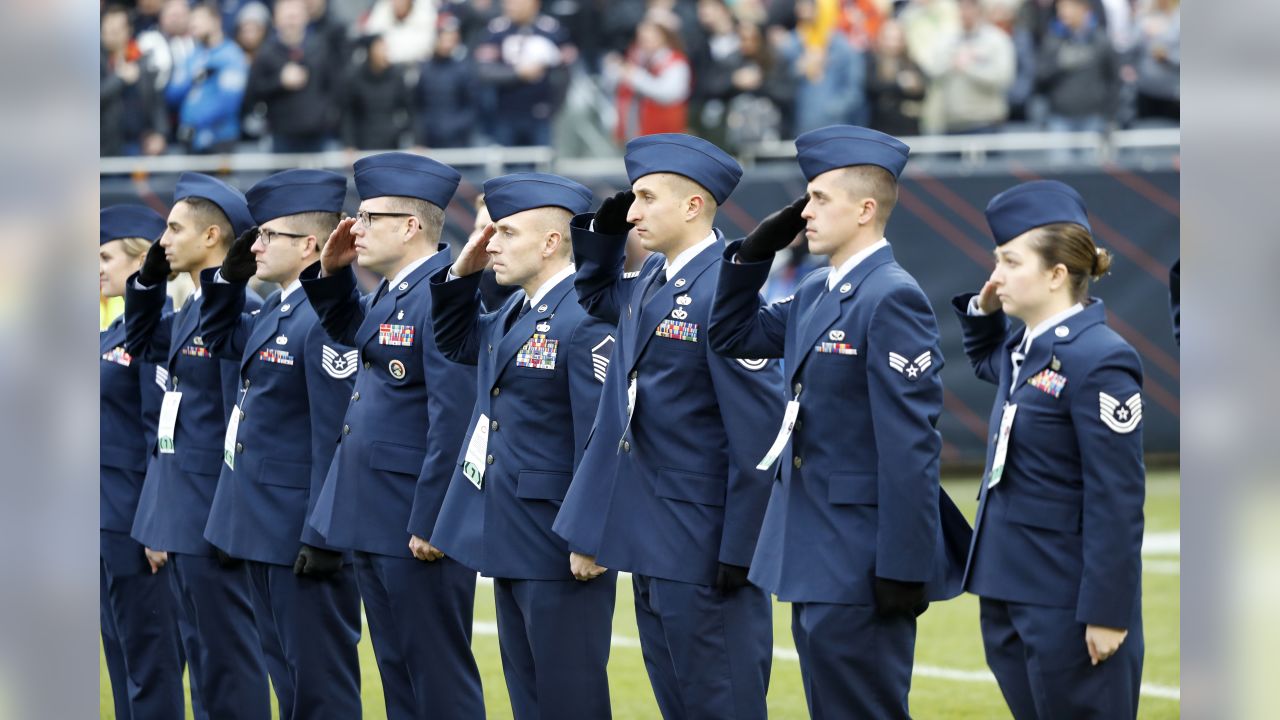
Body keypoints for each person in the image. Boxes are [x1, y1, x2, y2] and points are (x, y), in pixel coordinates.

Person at [706, 125, 972, 719]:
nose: (806, 211)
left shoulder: (889, 296)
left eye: (821, 197)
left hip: (862, 558)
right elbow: (732, 335)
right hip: (815, 549)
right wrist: (752, 256)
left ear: (866, 209)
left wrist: (903, 566)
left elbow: (910, 447)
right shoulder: (820, 287)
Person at [553, 133, 784, 720]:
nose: (632, 212)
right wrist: (601, 239)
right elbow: (596, 297)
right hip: (654, 537)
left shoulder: (726, 289)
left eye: (647, 198)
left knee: (722, 702)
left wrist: (741, 550)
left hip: (707, 549)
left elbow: (758, 434)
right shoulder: (654, 276)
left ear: (692, 206)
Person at [950, 179, 1145, 719]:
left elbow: (1118, 497)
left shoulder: (1100, 357)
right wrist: (985, 314)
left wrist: (1108, 611)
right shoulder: (1026, 345)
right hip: (1010, 588)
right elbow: (991, 365)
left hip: (1067, 601)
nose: (995, 276)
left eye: (1011, 262)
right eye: (997, 260)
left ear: (1057, 274)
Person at [299, 152, 483, 720]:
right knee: (399, 675)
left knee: (437, 679)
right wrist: (332, 277)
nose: (354, 227)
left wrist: (431, 519)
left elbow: (452, 418)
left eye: (371, 217)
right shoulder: (395, 290)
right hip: (378, 513)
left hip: (412, 519)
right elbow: (360, 336)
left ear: (410, 227)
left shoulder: (441, 292)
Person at [429, 173, 617, 719]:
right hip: (511, 531)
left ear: (552, 241)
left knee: (570, 700)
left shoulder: (584, 317)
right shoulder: (516, 309)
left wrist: (590, 535)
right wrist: (461, 272)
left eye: (507, 233)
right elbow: (458, 341)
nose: (492, 244)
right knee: (530, 701)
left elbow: (599, 436)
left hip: (559, 541)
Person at [198, 170, 362, 719]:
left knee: (320, 688)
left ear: (310, 246)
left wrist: (322, 533)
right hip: (264, 524)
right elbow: (220, 340)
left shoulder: (323, 319)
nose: (256, 245)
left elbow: (334, 434)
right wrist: (228, 279)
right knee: (289, 684)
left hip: (299, 532)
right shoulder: (279, 305)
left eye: (269, 235)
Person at [123, 173, 271, 720]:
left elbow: (242, 417)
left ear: (213, 237)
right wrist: (147, 283)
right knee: (205, 660)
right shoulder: (191, 308)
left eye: (174, 228)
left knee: (231, 660)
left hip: (215, 509)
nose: (163, 239)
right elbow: (140, 344)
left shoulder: (242, 309)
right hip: (184, 507)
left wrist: (234, 514)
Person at [99, 206, 186, 720]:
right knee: (121, 657)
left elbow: (163, 432)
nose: (99, 268)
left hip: (138, 520)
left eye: (107, 257)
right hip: (103, 518)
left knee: (151, 663)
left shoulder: (157, 334)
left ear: (140, 260)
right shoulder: (113, 333)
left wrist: (158, 522)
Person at [474, 0, 576, 146]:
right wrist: (518, 73)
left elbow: (565, 71)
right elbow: (484, 71)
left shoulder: (551, 29)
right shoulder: (496, 30)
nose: (509, 6)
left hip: (540, 113)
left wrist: (554, 107)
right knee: (506, 164)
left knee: (542, 164)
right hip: (506, 113)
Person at [245, 0, 338, 153]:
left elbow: (333, 87)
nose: (291, 21)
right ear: (276, 20)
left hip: (317, 135)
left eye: (295, 16)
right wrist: (280, 82)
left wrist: (327, 117)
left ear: (305, 17)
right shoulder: (267, 53)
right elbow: (252, 93)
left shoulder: (320, 48)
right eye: (287, 16)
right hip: (281, 136)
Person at [166, 2, 249, 153]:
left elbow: (229, 102)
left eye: (199, 18)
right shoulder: (192, 56)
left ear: (216, 21)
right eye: (192, 19)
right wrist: (193, 79)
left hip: (220, 138)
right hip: (190, 138)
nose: (194, 24)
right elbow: (172, 95)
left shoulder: (231, 55)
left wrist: (196, 124)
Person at [926, 0, 1016, 134]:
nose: (965, 12)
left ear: (979, 9)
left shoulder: (996, 39)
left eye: (970, 7)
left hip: (986, 122)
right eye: (961, 7)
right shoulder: (946, 38)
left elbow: (1003, 78)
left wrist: (969, 68)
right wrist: (952, 62)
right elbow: (933, 71)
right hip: (952, 123)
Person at [341, 35, 413, 151]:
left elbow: (411, 108)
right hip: (363, 143)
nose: (385, 53)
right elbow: (348, 114)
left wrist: (402, 131)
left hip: (392, 142)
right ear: (370, 51)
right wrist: (349, 144)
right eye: (381, 48)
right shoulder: (355, 77)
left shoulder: (396, 76)